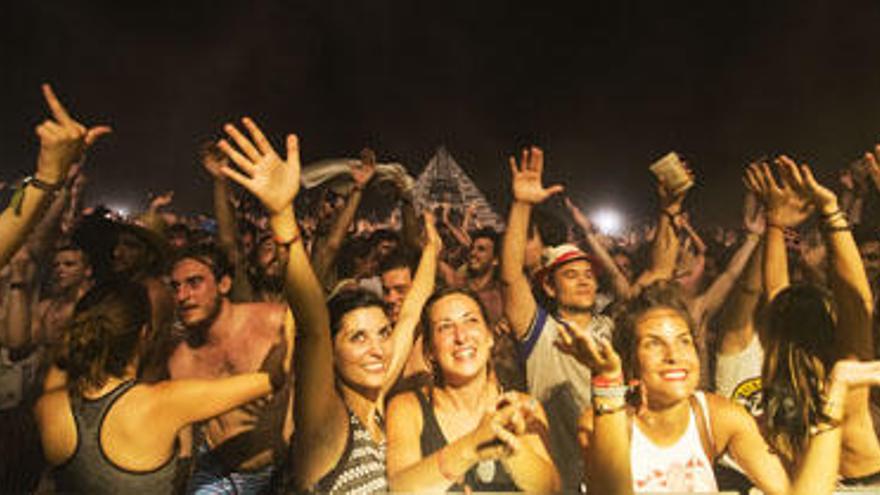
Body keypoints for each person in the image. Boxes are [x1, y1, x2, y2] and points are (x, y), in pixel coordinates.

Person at [214, 116, 440, 492]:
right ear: (331, 354)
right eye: (357, 338)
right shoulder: (326, 421)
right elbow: (315, 326)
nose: (377, 349)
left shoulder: (382, 400)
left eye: (382, 333)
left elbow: (414, 309)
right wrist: (282, 216)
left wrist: (431, 249)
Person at [564, 280, 880, 495]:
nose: (675, 356)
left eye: (684, 341)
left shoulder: (717, 415)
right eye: (654, 344)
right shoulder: (603, 422)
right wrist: (606, 380)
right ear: (630, 361)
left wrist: (836, 391)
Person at [32, 280, 288, 495]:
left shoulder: (48, 406)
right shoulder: (162, 403)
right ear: (145, 334)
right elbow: (274, 377)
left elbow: (62, 361)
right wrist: (295, 317)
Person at [747, 156, 880, 485]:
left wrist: (775, 223)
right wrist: (830, 209)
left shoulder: (783, 373)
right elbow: (857, 299)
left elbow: (775, 291)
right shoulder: (845, 376)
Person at [385, 287, 560, 492]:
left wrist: (511, 448)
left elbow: (551, 489)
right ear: (430, 350)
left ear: (489, 336)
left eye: (471, 321)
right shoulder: (407, 407)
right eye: (445, 327)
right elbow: (399, 488)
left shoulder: (521, 406)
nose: (461, 336)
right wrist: (472, 446)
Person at [166, 244, 291, 494]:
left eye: (194, 283)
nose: (182, 296)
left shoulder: (275, 324)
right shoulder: (180, 360)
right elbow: (186, 439)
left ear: (223, 284)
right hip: (217, 471)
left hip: (279, 469)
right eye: (176, 287)